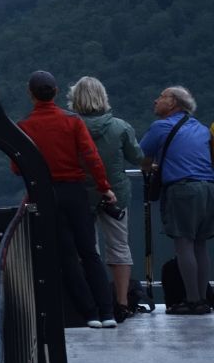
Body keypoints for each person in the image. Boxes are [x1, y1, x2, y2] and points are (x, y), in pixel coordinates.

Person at [11, 70, 116, 328]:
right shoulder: (72, 121)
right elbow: (92, 158)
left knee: (67, 255)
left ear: (30, 94)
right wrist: (105, 188)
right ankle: (108, 313)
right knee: (89, 252)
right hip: (75, 191)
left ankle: (89, 314)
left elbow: (16, 168)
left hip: (45, 194)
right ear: (56, 92)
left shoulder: (24, 127)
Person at [69, 76, 145, 321]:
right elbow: (137, 157)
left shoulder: (69, 126)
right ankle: (121, 304)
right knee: (119, 247)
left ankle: (95, 303)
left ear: (75, 98)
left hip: (80, 195)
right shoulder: (121, 127)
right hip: (115, 195)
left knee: (88, 251)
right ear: (103, 97)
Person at [139, 86, 214, 313]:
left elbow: (140, 156)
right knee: (200, 245)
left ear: (173, 103)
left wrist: (151, 167)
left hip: (182, 190)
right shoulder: (201, 128)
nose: (155, 100)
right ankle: (202, 299)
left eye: (161, 97)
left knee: (184, 244)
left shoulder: (160, 127)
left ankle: (191, 300)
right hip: (209, 188)